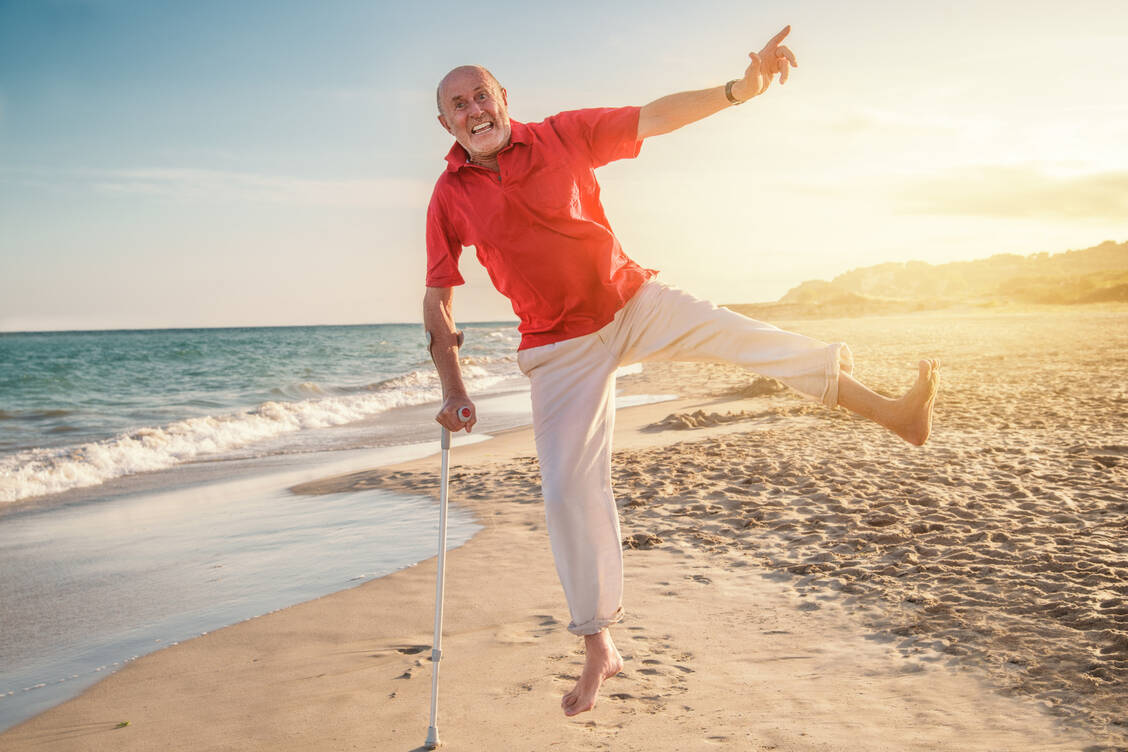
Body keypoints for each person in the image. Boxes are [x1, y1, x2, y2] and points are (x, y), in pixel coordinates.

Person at [422, 26, 939, 717]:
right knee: (566, 494)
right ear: (444, 122)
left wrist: (740, 89)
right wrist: (453, 386)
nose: (472, 109)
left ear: (503, 98)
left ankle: (889, 411)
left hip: (630, 302)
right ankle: (598, 645)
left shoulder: (562, 135)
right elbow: (437, 293)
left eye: (480, 94)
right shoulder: (448, 195)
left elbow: (654, 117)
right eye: (457, 104)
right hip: (558, 349)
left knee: (742, 336)